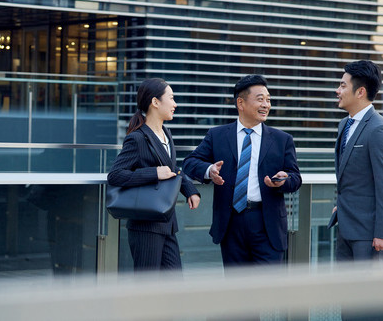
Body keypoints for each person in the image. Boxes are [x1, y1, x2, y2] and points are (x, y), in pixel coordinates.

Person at [183, 75, 301, 267]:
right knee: (236, 289)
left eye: (268, 99)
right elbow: (189, 163)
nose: (266, 105)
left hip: (267, 223)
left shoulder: (282, 139)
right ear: (241, 103)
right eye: (260, 99)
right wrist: (209, 170)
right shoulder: (218, 135)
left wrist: (284, 180)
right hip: (231, 224)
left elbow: (295, 177)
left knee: (267, 290)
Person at [331, 61, 383, 320]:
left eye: (342, 85)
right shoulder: (345, 126)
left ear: (360, 91)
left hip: (370, 236)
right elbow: (351, 176)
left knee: (370, 306)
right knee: (349, 304)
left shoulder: (379, 129)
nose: (337, 90)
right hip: (346, 228)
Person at [107, 78, 200, 272]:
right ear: (155, 102)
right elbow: (115, 175)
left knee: (173, 287)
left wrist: (190, 189)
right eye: (172, 98)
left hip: (167, 223)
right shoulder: (137, 138)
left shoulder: (166, 133)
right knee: (147, 288)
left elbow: (171, 168)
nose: (175, 104)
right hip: (145, 226)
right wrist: (154, 173)